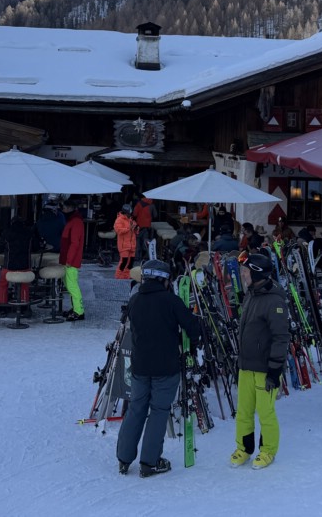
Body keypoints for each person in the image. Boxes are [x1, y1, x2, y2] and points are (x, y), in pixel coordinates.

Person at [115, 259, 202, 478]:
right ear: (164, 280)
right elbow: (192, 327)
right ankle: (149, 462)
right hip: (165, 367)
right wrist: (193, 341)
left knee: (136, 408)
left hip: (140, 366)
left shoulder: (135, 300)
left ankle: (124, 458)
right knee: (159, 411)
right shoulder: (171, 301)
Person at [231, 253, 289, 470]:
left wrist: (275, 369)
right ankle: (244, 448)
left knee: (265, 412)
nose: (243, 276)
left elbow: (281, 337)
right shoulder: (251, 295)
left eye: (246, 272)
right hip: (246, 366)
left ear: (256, 274)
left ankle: (268, 451)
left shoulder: (274, 301)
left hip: (266, 369)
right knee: (243, 412)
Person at [0, 215, 34, 306]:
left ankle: (2, 304)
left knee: (3, 283)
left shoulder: (6, 232)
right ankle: (24, 304)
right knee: (24, 284)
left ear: (12, 223)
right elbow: (36, 247)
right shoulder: (29, 232)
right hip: (25, 267)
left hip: (9, 267)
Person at [60, 199, 87, 321]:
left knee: (72, 286)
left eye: (64, 208)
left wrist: (69, 260)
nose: (63, 210)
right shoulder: (74, 220)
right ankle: (76, 308)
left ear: (70, 208)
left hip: (71, 261)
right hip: (68, 260)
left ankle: (79, 311)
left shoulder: (75, 222)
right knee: (69, 284)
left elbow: (74, 243)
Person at [114, 204, 138, 275]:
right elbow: (118, 230)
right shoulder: (119, 220)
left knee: (130, 263)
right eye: (129, 213)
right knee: (124, 262)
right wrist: (129, 228)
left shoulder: (131, 219)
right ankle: (119, 276)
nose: (130, 214)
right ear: (125, 212)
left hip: (132, 245)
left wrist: (136, 229)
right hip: (124, 245)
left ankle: (127, 275)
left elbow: (135, 231)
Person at [132, 193, 156, 263]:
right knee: (146, 243)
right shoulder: (152, 205)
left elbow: (134, 214)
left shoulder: (138, 204)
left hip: (139, 227)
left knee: (137, 241)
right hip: (147, 227)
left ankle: (137, 257)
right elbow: (155, 215)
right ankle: (146, 257)